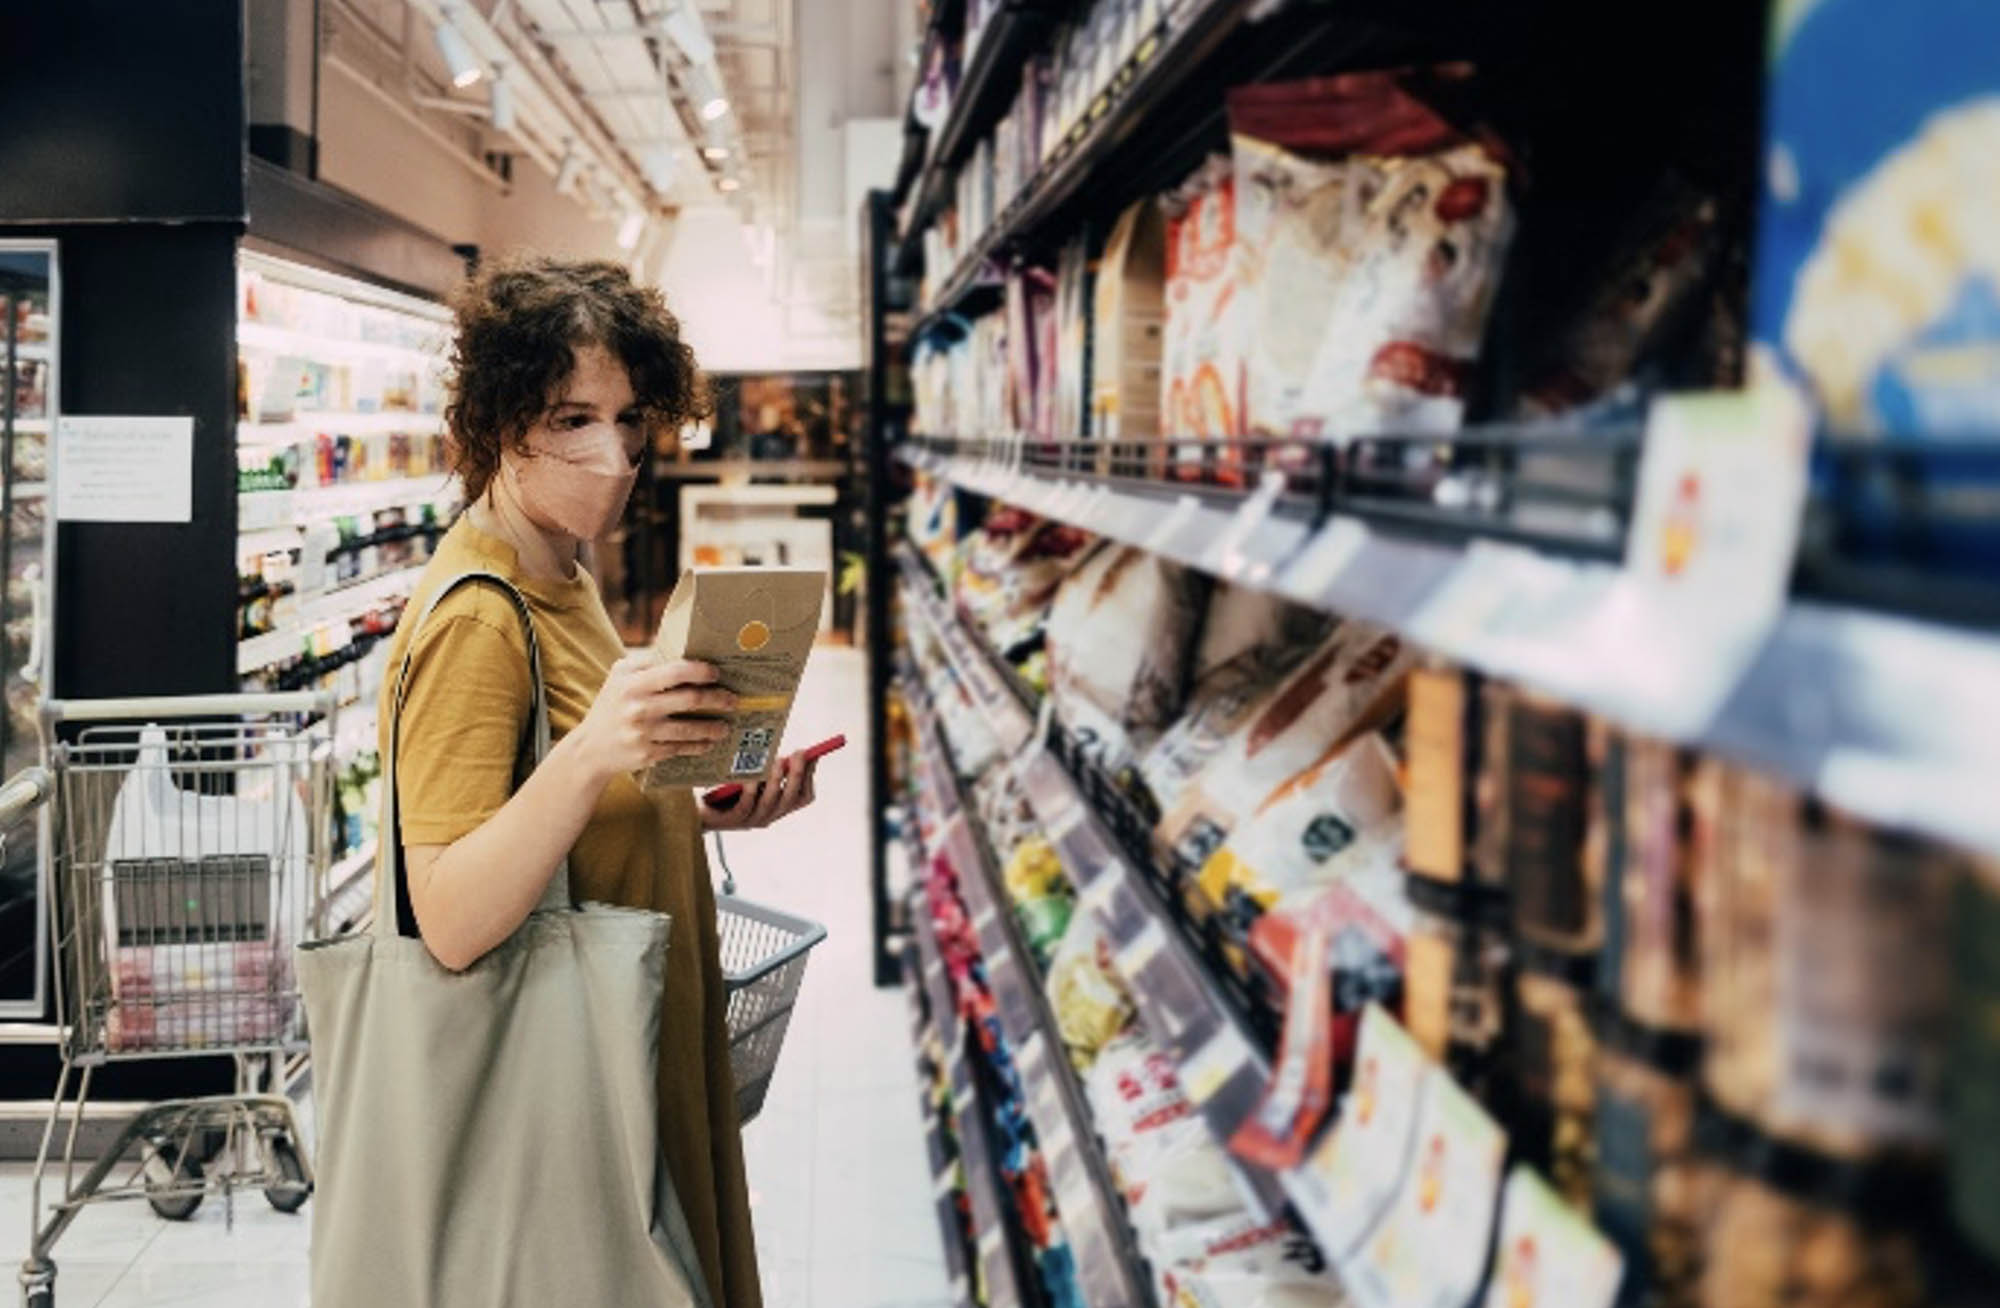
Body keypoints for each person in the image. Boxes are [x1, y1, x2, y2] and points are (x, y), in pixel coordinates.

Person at [377, 254, 813, 1308]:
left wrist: (703, 802)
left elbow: (578, 800)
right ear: (493, 422)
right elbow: (445, 915)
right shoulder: (480, 620)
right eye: (571, 417)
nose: (612, 454)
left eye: (628, 420)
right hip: (563, 1093)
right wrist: (592, 753)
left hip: (634, 1055)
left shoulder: (561, 575)